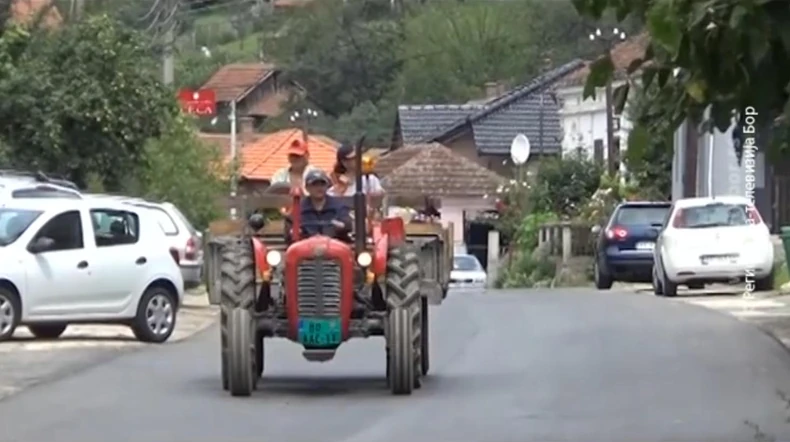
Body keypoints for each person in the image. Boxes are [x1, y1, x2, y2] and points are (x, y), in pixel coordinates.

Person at [285, 169, 352, 241]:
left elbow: (347, 225)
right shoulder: (299, 208)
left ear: (327, 186)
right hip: (307, 244)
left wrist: (342, 226)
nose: (319, 188)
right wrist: (293, 231)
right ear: (307, 188)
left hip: (333, 243)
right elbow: (290, 230)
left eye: (322, 184)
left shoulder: (339, 206)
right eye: (314, 185)